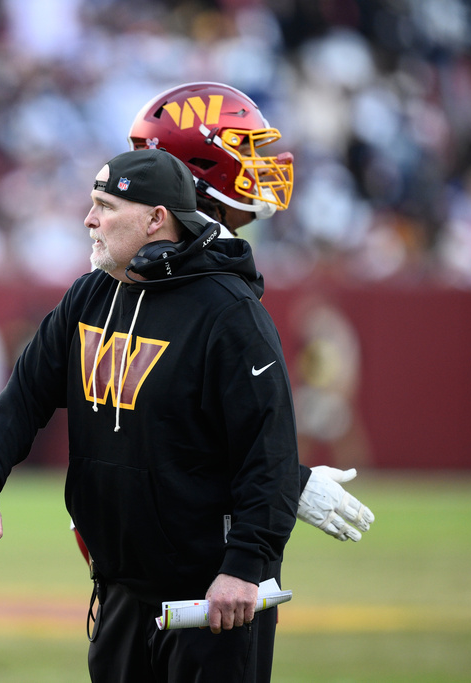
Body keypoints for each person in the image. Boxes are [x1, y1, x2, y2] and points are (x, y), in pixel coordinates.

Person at [0, 148, 301, 682]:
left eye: (105, 206)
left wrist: (245, 566)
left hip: (212, 598)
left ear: (157, 219)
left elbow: (270, 453)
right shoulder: (89, 295)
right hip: (119, 590)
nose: (88, 219)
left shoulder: (228, 311)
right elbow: (24, 398)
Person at [125, 82, 374, 545]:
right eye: (244, 146)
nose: (263, 164)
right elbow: (181, 429)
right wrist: (288, 480)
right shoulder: (213, 299)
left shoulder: (133, 278)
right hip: (186, 556)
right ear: (199, 165)